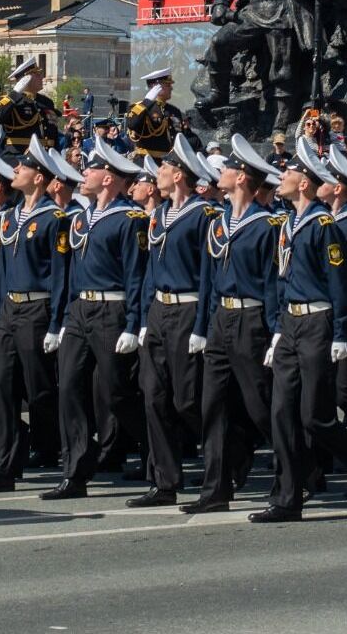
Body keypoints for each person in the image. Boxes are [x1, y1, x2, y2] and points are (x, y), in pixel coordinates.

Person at [252, 136, 347, 522]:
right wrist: (278, 328)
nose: (282, 177)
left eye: (289, 173)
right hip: (291, 323)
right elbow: (282, 279)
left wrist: (342, 330)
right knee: (282, 412)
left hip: (317, 322)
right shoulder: (288, 223)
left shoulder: (323, 225)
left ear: (304, 183)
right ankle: (287, 498)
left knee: (315, 416)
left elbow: (338, 280)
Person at [44, 141, 150, 500]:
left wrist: (134, 324)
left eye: (92, 169)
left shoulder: (130, 219)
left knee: (117, 393)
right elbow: (69, 274)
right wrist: (61, 320)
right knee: (69, 388)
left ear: (108, 178)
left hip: (112, 310)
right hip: (80, 310)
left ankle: (157, 449)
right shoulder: (78, 218)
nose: (84, 173)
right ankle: (76, 471)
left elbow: (136, 275)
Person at [181, 137, 280, 515]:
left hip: (252, 320)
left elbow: (272, 284)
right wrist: (203, 327)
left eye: (228, 168)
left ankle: (300, 468)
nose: (220, 172)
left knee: (260, 405)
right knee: (213, 406)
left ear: (241, 178)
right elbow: (208, 280)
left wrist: (274, 332)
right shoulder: (217, 222)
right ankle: (215, 490)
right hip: (221, 318)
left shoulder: (266, 225)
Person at [0, 137, 70, 493]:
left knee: (40, 390)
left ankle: (63, 447)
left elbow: (60, 275)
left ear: (39, 177)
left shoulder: (54, 219)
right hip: (9, 309)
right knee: (3, 389)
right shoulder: (8, 218)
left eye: (23, 167)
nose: (15, 170)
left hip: (37, 309)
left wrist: (57, 322)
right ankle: (4, 467)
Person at [130, 135, 216, 508]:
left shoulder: (204, 214)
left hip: (187, 309)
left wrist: (202, 325)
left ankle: (231, 452)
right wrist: (145, 317)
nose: (158, 174)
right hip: (159, 311)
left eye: (164, 168)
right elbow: (151, 270)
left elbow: (208, 274)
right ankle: (164, 481)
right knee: (153, 396)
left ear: (179, 175)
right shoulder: (159, 215)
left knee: (187, 400)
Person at [0, 57, 60, 156]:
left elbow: (53, 133)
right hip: (19, 156)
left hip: (46, 156)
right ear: (26, 79)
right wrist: (15, 93)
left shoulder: (46, 102)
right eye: (37, 75)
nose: (42, 77)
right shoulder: (11, 100)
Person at [125, 69, 180, 159]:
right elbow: (132, 124)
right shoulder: (141, 107)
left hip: (167, 161)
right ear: (155, 87)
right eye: (168, 85)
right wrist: (147, 102)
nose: (171, 88)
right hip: (145, 159)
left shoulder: (174, 110)